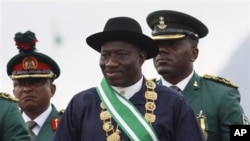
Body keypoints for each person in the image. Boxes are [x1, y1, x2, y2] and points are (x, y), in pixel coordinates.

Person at [53, 16, 205, 141]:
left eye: (121, 55)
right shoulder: (81, 104)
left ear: (141, 58)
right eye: (105, 55)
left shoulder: (173, 103)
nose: (111, 63)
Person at [146, 10, 250, 141]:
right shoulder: (142, 94)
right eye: (157, 45)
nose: (161, 50)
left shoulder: (221, 95)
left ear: (194, 54)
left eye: (173, 44)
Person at [6, 30, 63, 141]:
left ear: (52, 90)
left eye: (36, 82)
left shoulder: (68, 125)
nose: (27, 89)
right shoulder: (6, 128)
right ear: (13, 92)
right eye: (21, 84)